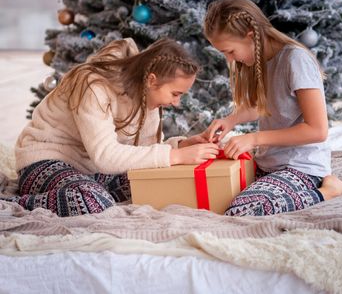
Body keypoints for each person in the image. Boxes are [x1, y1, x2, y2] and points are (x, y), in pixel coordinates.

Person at [6, 38, 219, 217]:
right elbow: (105, 156)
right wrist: (176, 156)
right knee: (92, 201)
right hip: (46, 162)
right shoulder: (93, 85)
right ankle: (12, 202)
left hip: (91, 171)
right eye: (175, 94)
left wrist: (180, 146)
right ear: (152, 80)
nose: (176, 103)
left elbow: (146, 153)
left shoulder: (147, 95)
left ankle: (89, 191)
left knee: (154, 185)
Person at [203, 0, 342, 217]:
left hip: (301, 168)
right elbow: (265, 106)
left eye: (229, 51)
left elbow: (318, 130)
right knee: (214, 195)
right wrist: (231, 120)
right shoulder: (262, 60)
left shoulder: (296, 60)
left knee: (241, 212)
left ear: (250, 35)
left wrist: (254, 138)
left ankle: (329, 192)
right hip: (269, 164)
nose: (229, 60)